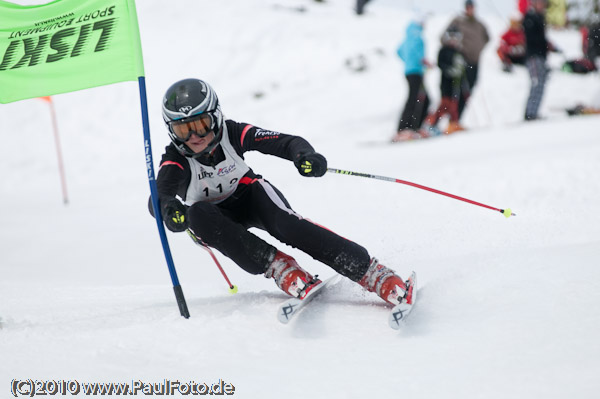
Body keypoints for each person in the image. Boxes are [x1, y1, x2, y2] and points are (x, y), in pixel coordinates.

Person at [149, 78, 414, 307]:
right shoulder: (175, 159)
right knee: (197, 215)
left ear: (215, 117)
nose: (194, 136)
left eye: (201, 124)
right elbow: (158, 196)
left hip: (249, 197)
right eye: (183, 129)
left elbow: (284, 142)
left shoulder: (232, 132)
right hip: (213, 220)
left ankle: (371, 273)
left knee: (288, 225)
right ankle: (279, 267)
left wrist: (304, 156)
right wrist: (170, 210)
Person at [420, 26, 469, 136]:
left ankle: (453, 124)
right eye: (451, 37)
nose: (453, 40)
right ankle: (429, 124)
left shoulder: (459, 52)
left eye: (456, 38)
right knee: (445, 104)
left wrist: (461, 68)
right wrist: (450, 70)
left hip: (456, 84)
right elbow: (441, 64)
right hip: (446, 83)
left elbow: (463, 68)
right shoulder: (444, 50)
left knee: (454, 104)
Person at [446, 0, 489, 119]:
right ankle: (452, 119)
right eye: (468, 7)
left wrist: (478, 48)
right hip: (463, 60)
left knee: (469, 89)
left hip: (475, 61)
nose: (470, 9)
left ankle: (456, 119)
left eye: (472, 7)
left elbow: (487, 38)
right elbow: (445, 36)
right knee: (459, 91)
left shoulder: (479, 24)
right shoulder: (458, 21)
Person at [392, 18, 431, 142]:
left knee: (420, 98)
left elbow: (399, 51)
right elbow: (416, 51)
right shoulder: (417, 36)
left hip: (410, 71)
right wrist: (421, 61)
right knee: (417, 98)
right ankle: (405, 128)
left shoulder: (407, 36)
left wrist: (408, 61)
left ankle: (412, 127)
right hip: (416, 72)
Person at [523, 0, 557, 121]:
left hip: (541, 57)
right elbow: (532, 38)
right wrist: (544, 44)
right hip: (533, 57)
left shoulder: (539, 18)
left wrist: (549, 46)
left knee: (541, 83)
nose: (542, 6)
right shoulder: (530, 17)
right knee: (536, 83)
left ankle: (533, 112)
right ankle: (530, 113)